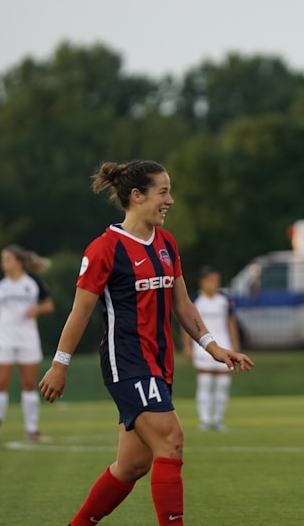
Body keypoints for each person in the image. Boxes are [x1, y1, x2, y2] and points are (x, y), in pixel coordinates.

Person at [38, 159, 254, 526]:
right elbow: (80, 313)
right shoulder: (104, 249)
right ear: (136, 196)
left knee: (132, 465)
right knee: (171, 438)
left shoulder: (166, 242)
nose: (170, 200)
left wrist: (214, 347)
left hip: (159, 363)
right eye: (163, 192)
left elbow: (181, 303)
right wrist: (60, 364)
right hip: (127, 363)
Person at [0, 245, 55, 441]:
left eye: (7, 259)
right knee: (0, 384)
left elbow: (49, 305)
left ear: (18, 262)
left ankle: (32, 430)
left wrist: (37, 310)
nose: (3, 263)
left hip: (28, 340)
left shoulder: (33, 283)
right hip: (3, 339)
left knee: (29, 384)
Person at [183, 265, 242, 431]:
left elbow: (231, 322)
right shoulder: (196, 301)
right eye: (211, 280)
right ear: (202, 282)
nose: (214, 284)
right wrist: (187, 346)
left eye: (217, 281)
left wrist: (235, 344)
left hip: (223, 343)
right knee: (205, 382)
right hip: (203, 346)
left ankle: (217, 419)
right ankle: (204, 419)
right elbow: (187, 324)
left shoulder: (224, 300)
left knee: (223, 382)